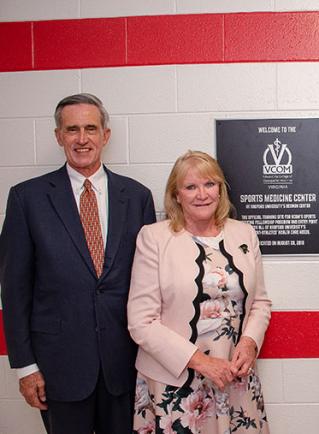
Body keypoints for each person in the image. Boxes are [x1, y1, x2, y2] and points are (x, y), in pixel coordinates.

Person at [0, 93, 156, 433]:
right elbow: (14, 291)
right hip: (59, 368)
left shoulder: (137, 197)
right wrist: (25, 367)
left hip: (125, 366)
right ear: (59, 136)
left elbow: (150, 285)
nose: (82, 139)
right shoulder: (27, 199)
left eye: (90, 128)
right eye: (72, 130)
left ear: (105, 134)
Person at [127, 150, 271, 433]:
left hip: (234, 378)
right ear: (176, 195)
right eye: (190, 187)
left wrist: (250, 342)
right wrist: (203, 362)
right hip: (175, 382)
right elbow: (141, 322)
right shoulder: (154, 238)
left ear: (220, 189)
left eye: (209, 184)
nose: (201, 194)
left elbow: (260, 303)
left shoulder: (244, 233)